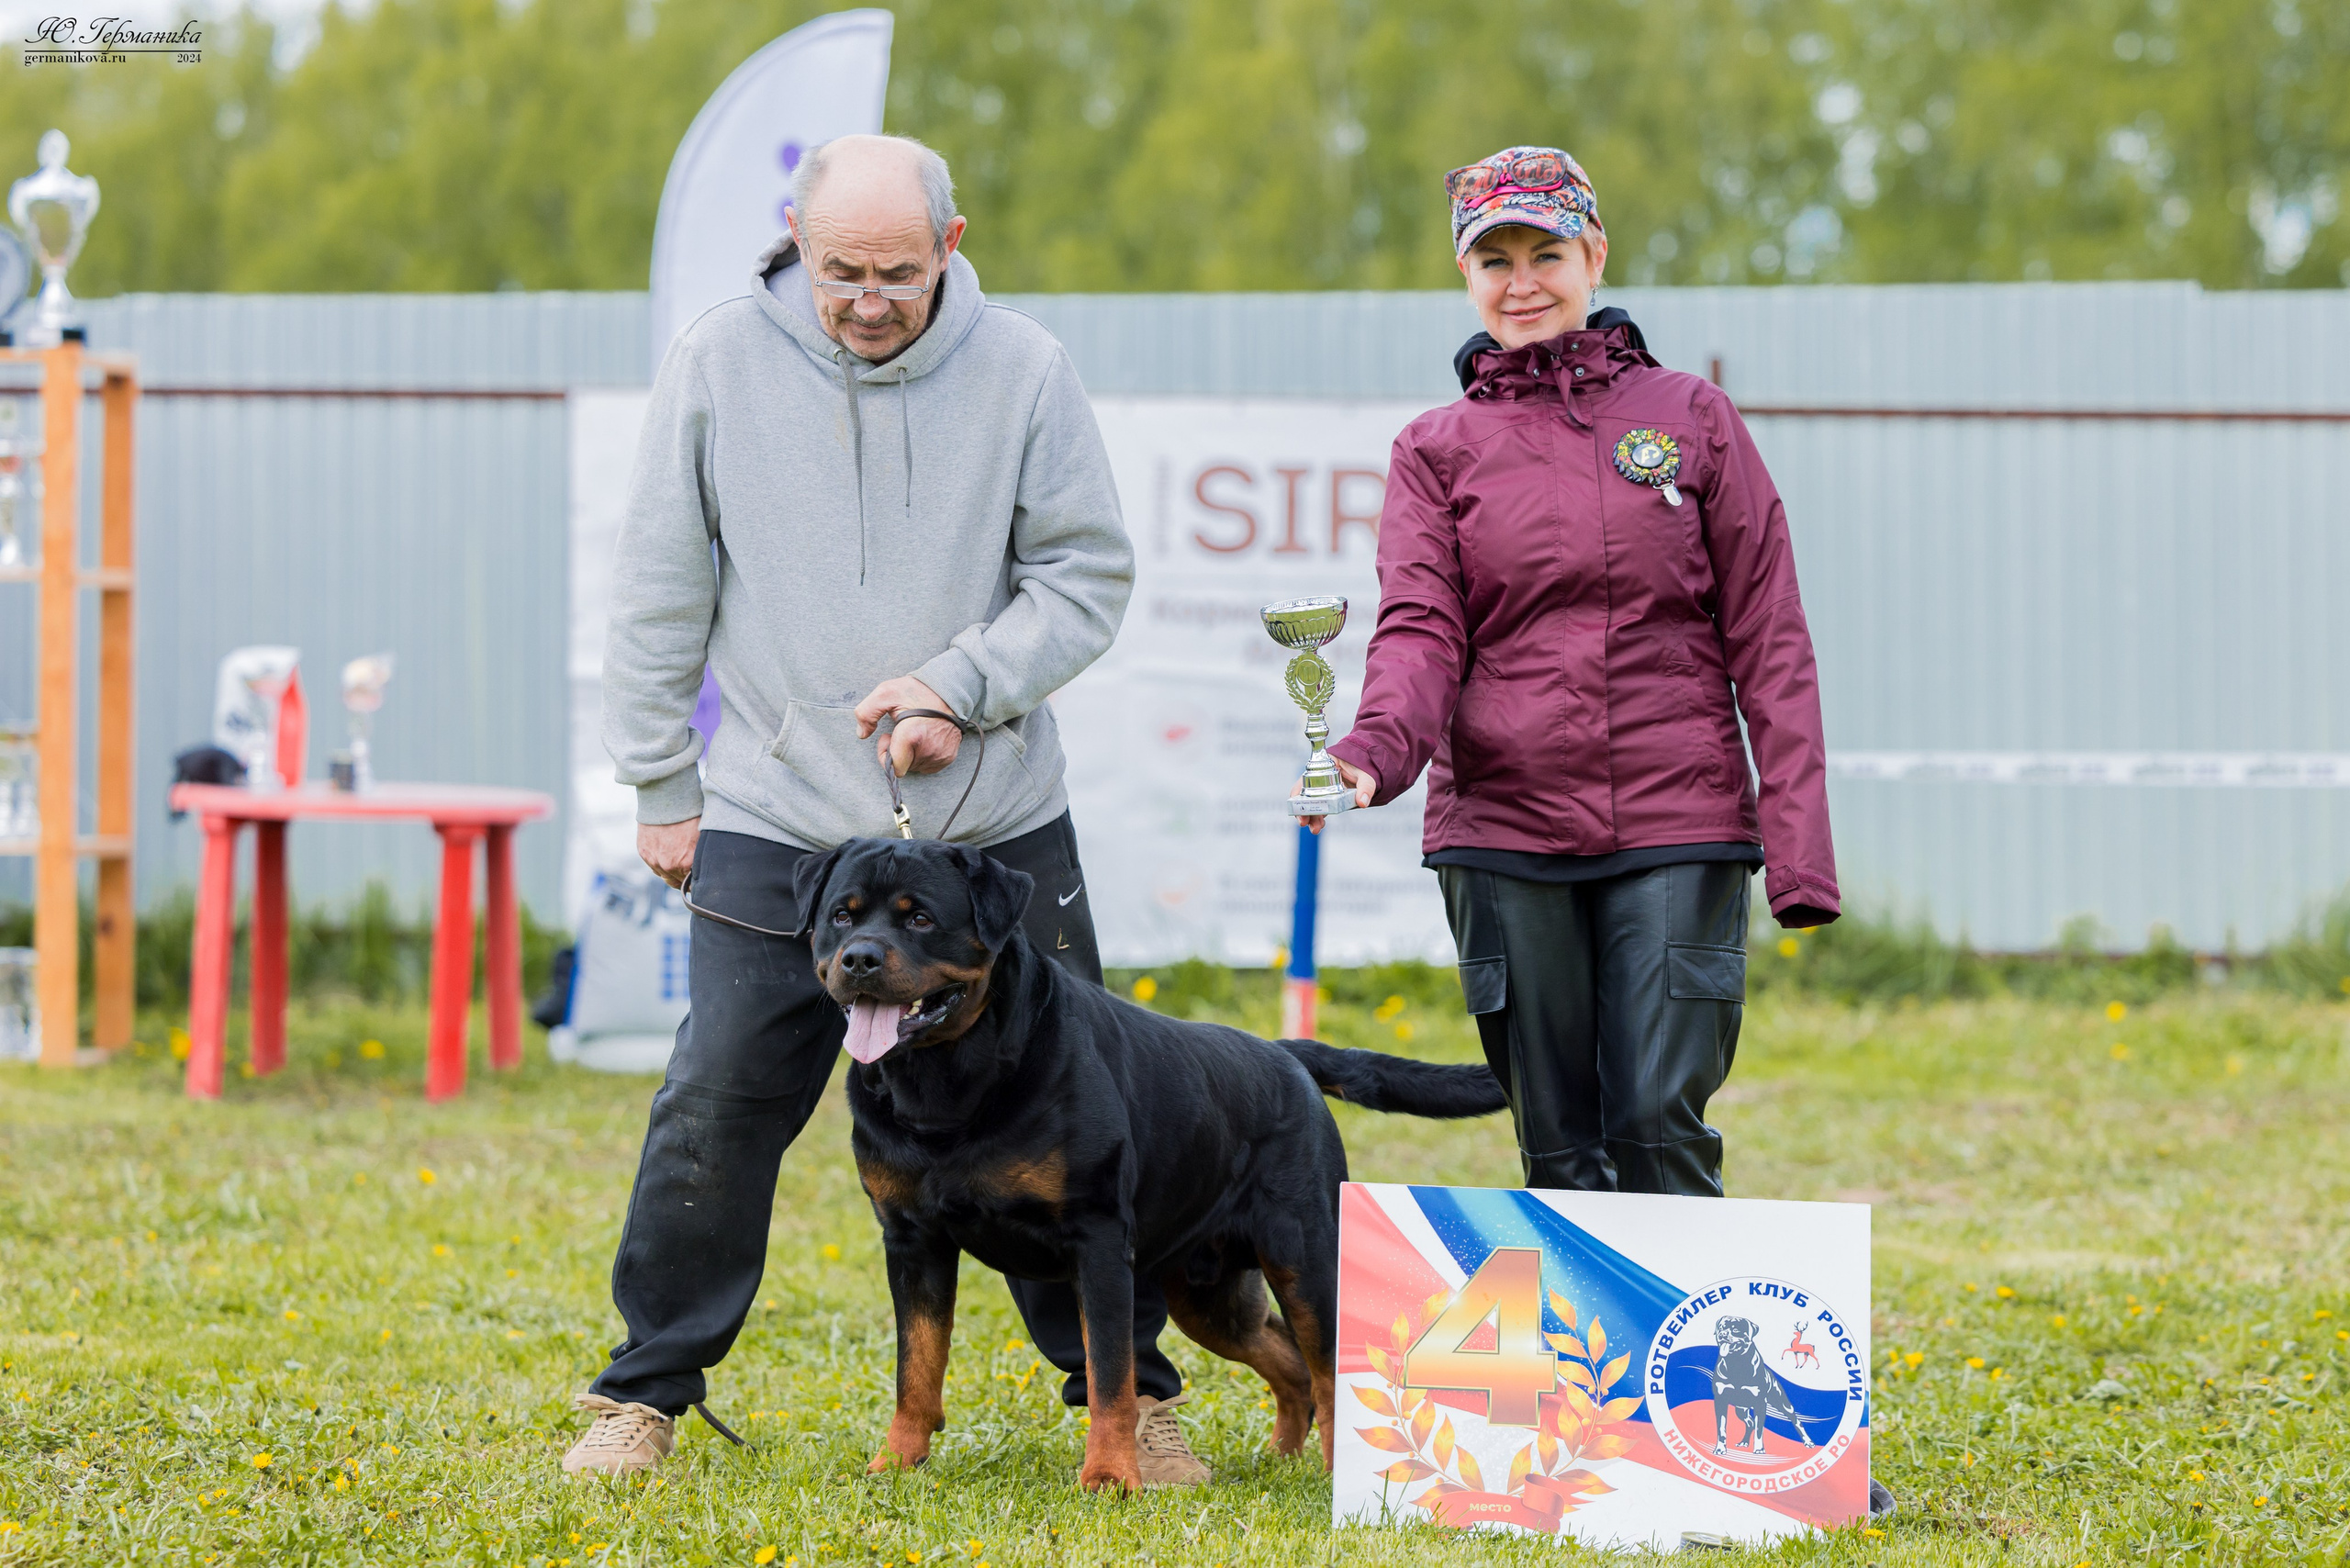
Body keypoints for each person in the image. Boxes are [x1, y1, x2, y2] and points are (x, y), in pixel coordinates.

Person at [563, 134, 1208, 1487]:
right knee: (718, 1098)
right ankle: (645, 1396)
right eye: (838, 269)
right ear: (795, 237)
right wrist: (661, 784)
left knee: (1078, 1119)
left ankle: (1131, 1396)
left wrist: (961, 689)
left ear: (952, 245)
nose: (865, 298)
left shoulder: (1026, 369)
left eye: (897, 273)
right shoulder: (717, 363)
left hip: (993, 817)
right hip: (776, 811)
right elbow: (659, 588)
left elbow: (1085, 576)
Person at [1305, 145, 1841, 1200]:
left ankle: (1688, 1366)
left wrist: (1799, 852)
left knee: (1651, 1122)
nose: (1520, 282)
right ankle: (1579, 1368)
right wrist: (1370, 755)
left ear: (1594, 254)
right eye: (1492, 258)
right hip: (1502, 831)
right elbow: (1421, 629)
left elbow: (1770, 636)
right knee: (1558, 1146)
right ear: (1465, 276)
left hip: (1677, 815)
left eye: (1544, 251)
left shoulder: (1691, 419)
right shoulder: (1434, 449)